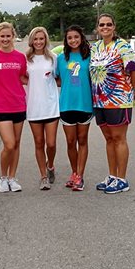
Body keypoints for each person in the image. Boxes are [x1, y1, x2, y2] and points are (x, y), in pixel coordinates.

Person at [90, 13, 135, 194]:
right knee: (109, 139)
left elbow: (134, 70)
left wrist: (132, 90)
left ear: (114, 26)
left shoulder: (122, 47)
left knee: (119, 139)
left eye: (108, 24)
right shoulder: (95, 47)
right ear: (97, 27)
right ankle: (112, 176)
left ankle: (122, 179)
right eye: (102, 24)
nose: (105, 27)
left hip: (118, 101)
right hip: (100, 102)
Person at [0, 22, 28, 193]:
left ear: (13, 36)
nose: (6, 39)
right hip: (1, 106)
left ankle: (12, 177)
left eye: (8, 36)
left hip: (18, 104)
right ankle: (3, 177)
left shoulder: (20, 57)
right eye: (2, 36)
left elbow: (23, 77)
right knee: (9, 144)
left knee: (16, 144)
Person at [55, 25, 93, 191]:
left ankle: (80, 176)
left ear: (81, 37)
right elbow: (56, 79)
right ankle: (74, 172)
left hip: (84, 105)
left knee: (82, 140)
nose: (73, 40)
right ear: (66, 40)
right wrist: (68, 87)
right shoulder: (61, 58)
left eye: (76, 37)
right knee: (71, 142)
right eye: (70, 38)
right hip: (66, 105)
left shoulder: (89, 57)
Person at [25, 26, 60, 190]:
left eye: (41, 39)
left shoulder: (53, 58)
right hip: (34, 106)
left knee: (51, 144)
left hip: (51, 106)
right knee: (39, 142)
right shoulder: (26, 58)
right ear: (31, 40)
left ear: (46, 40)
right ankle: (43, 176)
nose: (38, 42)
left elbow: (59, 79)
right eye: (36, 39)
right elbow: (21, 77)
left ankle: (50, 165)